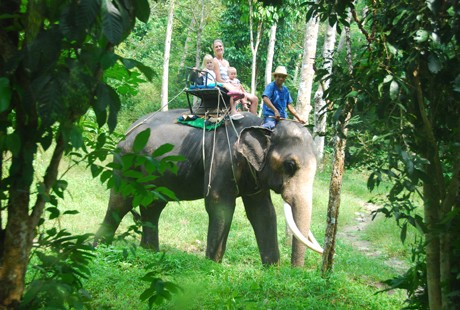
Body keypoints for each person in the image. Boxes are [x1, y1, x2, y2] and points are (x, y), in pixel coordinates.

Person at [212, 39, 259, 119]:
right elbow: (218, 79)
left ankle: (253, 119)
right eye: (216, 47)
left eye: (220, 46)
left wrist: (234, 83)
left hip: (231, 84)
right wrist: (230, 83)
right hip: (223, 84)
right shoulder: (215, 61)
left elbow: (230, 75)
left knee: (255, 99)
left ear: (223, 47)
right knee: (235, 90)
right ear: (214, 49)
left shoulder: (226, 62)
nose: (219, 48)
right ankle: (234, 110)